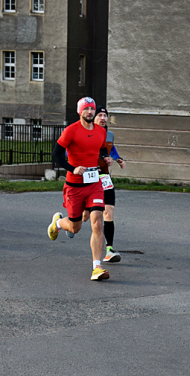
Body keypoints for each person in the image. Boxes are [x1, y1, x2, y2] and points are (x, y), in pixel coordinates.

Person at [47, 97, 112, 281]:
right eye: (86, 109)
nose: (90, 112)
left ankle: (97, 267)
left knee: (97, 221)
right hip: (75, 186)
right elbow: (56, 154)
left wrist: (105, 158)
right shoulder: (71, 131)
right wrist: (72, 168)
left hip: (94, 184)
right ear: (80, 112)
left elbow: (100, 150)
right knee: (75, 228)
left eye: (92, 109)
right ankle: (58, 223)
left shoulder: (101, 132)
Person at [81, 107, 124, 262]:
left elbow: (112, 150)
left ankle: (109, 249)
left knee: (108, 211)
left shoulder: (109, 135)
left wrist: (118, 159)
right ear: (93, 117)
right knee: (85, 216)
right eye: (100, 115)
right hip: (90, 177)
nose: (103, 118)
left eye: (105, 115)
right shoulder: (84, 133)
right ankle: (64, 223)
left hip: (104, 177)